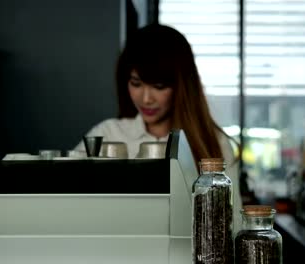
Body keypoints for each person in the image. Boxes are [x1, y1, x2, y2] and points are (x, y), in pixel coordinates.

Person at [73, 23, 242, 232]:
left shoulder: (212, 142)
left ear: (181, 86)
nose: (146, 98)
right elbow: (71, 208)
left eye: (159, 87)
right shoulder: (106, 134)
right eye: (136, 83)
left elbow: (233, 226)